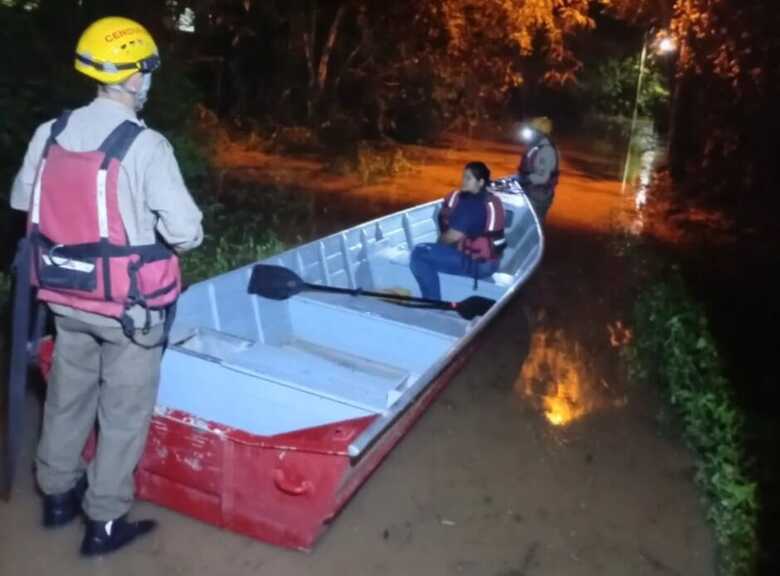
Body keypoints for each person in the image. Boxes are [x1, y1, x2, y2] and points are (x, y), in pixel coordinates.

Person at [8, 17, 203, 556]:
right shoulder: (146, 146)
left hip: (64, 298)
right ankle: (105, 522)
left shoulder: (50, 132)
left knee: (66, 396)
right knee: (122, 415)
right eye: (148, 71)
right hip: (128, 311)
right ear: (134, 77)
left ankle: (56, 496)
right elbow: (186, 234)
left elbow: (23, 203)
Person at [410, 162, 506, 301]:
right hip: (492, 263)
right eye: (463, 176)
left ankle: (432, 301)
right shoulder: (490, 199)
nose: (463, 181)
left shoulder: (472, 205)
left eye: (468, 178)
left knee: (419, 253)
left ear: (480, 182)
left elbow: (451, 237)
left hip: (476, 266)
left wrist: (437, 246)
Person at [516, 116, 560, 222]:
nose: (530, 133)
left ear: (540, 133)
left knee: (530, 226)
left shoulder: (546, 150)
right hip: (530, 191)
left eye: (532, 130)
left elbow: (543, 178)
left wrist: (524, 179)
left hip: (538, 196)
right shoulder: (536, 146)